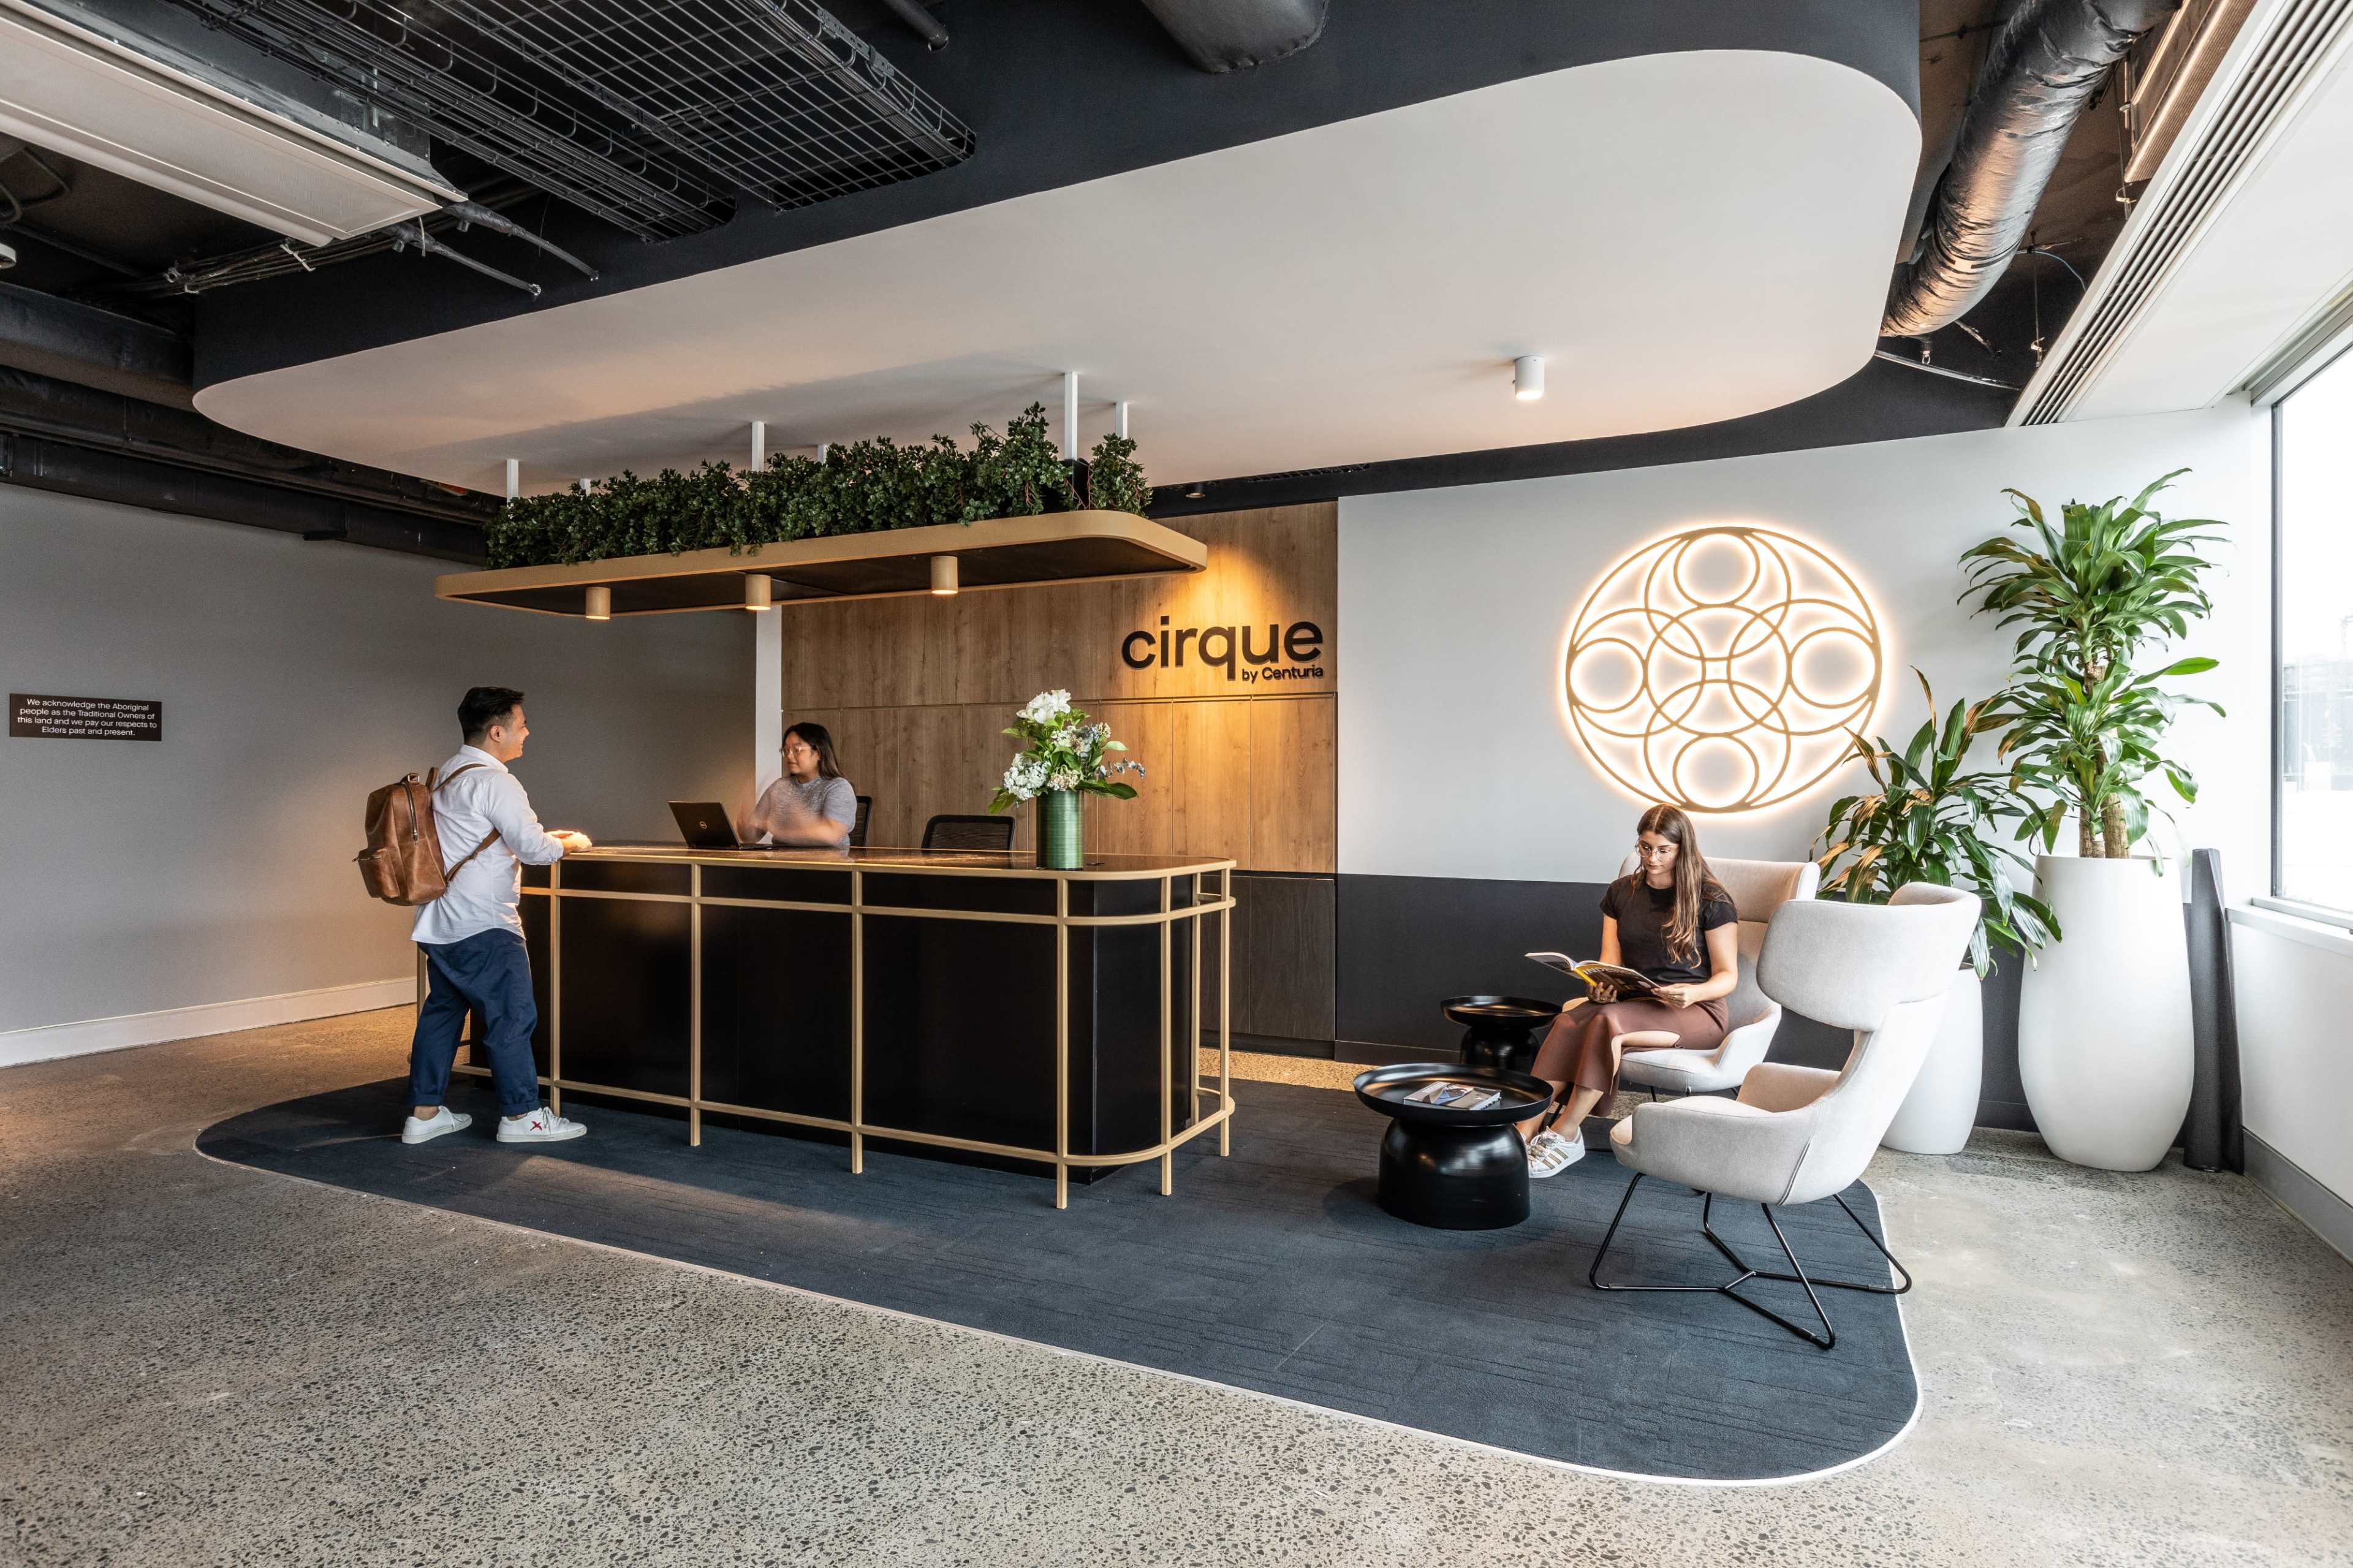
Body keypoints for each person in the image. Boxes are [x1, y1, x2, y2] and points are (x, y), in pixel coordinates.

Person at [401, 687, 593, 1147]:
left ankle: (424, 1114)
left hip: (443, 920)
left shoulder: (449, 772)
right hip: (485, 923)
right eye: (522, 724)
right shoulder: (497, 781)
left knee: (443, 1014)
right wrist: (568, 843)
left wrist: (543, 835)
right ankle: (522, 1115)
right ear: (496, 731)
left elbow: (478, 832)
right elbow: (533, 849)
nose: (527, 731)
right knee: (512, 1017)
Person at [1520, 802, 1739, 1177]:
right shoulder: (1621, 892)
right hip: (1633, 1002)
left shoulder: (1711, 900)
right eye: (1644, 847)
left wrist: (1693, 993)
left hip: (1695, 1012)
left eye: (1663, 850)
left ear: (1683, 849)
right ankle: (1524, 1128)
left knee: (1606, 1023)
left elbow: (1727, 977)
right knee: (1570, 1021)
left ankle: (1566, 1134)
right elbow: (1611, 964)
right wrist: (1601, 988)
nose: (1652, 858)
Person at [738, 721, 858, 849]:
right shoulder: (780, 787)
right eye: (786, 750)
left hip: (828, 864)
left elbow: (830, 835)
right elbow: (750, 837)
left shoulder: (838, 787)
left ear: (818, 752)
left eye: (797, 750)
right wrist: (743, 822)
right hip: (781, 863)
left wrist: (780, 830)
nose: (789, 756)